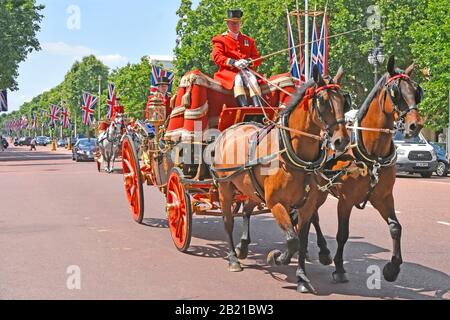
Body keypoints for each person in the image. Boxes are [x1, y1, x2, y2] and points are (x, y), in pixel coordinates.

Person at [211, 9, 263, 107]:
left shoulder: (248, 40)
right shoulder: (220, 39)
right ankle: (243, 106)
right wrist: (233, 62)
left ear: (240, 23)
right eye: (232, 23)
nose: (235, 25)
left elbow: (257, 57)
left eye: (237, 23)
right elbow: (216, 56)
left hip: (246, 70)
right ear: (227, 23)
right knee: (237, 79)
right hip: (229, 72)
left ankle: (258, 106)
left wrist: (248, 61)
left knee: (252, 79)